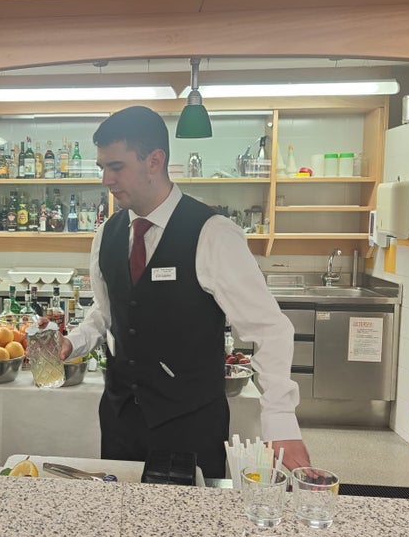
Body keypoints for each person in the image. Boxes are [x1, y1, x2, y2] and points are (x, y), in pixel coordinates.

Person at [59, 106, 311, 478]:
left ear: (154, 161)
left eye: (116, 166)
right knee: (118, 511)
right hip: (120, 418)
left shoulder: (213, 233)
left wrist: (280, 422)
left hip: (189, 425)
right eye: (102, 167)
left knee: (194, 515)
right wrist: (74, 341)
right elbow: (107, 311)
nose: (106, 179)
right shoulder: (106, 234)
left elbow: (270, 330)